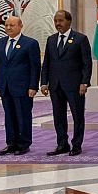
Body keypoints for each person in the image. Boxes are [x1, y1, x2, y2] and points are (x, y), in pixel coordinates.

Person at [40, 10, 92, 156]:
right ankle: (62, 144)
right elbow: (47, 64)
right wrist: (44, 83)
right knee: (58, 116)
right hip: (55, 85)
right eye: (56, 20)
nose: (58, 24)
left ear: (69, 21)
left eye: (61, 20)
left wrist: (85, 82)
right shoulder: (51, 40)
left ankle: (77, 145)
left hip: (75, 86)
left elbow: (86, 64)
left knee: (77, 116)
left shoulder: (80, 39)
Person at [0, 16, 40, 156]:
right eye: (6, 25)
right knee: (9, 116)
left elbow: (35, 67)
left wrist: (33, 86)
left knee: (23, 115)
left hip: (23, 87)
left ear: (20, 26)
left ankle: (24, 144)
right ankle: (11, 143)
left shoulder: (30, 43)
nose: (8, 28)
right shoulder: (0, 43)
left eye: (12, 25)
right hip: (5, 87)